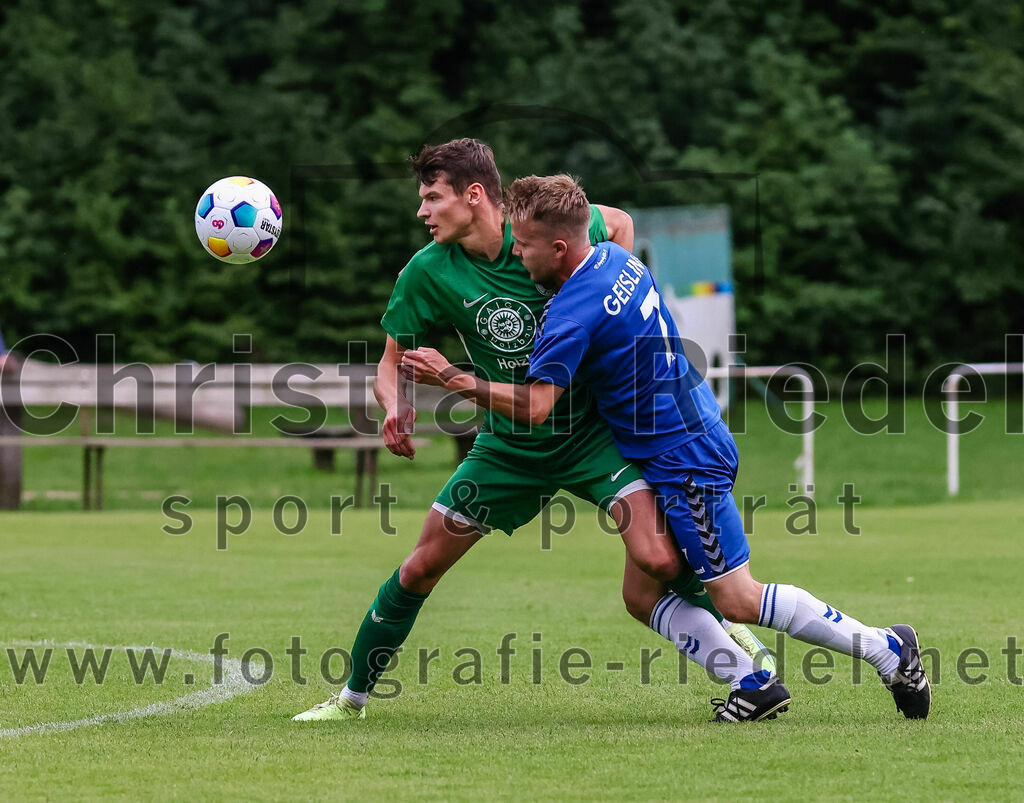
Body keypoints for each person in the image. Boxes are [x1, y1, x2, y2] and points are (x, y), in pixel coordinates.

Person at [400, 173, 931, 722]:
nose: (516, 252)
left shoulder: (567, 314)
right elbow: (617, 233)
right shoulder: (613, 259)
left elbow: (536, 408)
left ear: (558, 247)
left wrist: (454, 379)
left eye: (525, 244)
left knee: (738, 599)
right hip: (680, 433)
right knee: (642, 594)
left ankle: (888, 650)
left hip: (684, 457)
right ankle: (752, 683)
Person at [293, 141, 777, 723]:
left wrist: (598, 304)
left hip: (592, 438)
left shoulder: (542, 228)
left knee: (657, 558)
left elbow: (619, 225)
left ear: (473, 196)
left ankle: (738, 654)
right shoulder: (427, 272)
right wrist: (393, 406)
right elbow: (391, 360)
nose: (422, 212)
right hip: (508, 447)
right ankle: (352, 699)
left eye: (431, 198)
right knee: (421, 566)